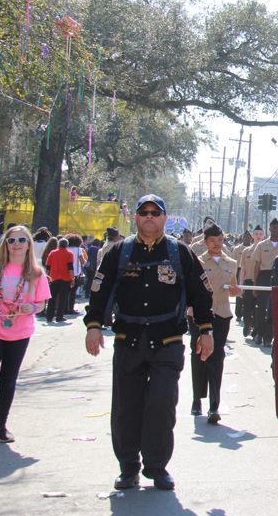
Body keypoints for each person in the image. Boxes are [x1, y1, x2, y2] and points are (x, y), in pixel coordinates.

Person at [84, 194, 215, 492]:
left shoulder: (180, 253)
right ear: (136, 217)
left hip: (167, 341)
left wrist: (206, 331)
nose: (149, 217)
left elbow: (201, 293)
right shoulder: (118, 252)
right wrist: (93, 327)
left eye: (156, 212)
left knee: (161, 405)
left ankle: (157, 467)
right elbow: (100, 291)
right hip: (128, 339)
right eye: (144, 212)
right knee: (125, 407)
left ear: (165, 218)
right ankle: (128, 467)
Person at [0, 226, 50, 442]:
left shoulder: (36, 273)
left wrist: (34, 308)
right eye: (11, 241)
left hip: (20, 332)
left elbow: (41, 304)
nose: (17, 244)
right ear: (5, 244)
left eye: (22, 240)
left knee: (9, 380)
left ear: (29, 244)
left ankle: (0, 428)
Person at [190, 223, 241, 423]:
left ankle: (214, 405)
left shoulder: (230, 262)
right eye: (212, 241)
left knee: (216, 357)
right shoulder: (198, 262)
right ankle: (196, 399)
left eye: (219, 240)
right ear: (205, 242)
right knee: (198, 356)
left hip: (221, 314)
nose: (217, 244)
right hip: (199, 314)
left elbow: (234, 286)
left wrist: (237, 291)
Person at [251, 218, 278, 346]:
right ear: (269, 229)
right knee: (261, 307)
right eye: (273, 227)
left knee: (274, 308)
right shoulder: (261, 245)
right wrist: (255, 286)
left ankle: (268, 337)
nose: (276, 230)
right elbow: (257, 266)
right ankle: (259, 332)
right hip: (264, 277)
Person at [239, 225, 264, 337]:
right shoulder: (246, 251)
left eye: (260, 234)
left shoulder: (265, 250)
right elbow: (242, 269)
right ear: (253, 236)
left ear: (263, 236)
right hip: (249, 282)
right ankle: (247, 323)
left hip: (260, 283)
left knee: (258, 309)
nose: (258, 236)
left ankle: (255, 330)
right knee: (247, 308)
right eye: (256, 234)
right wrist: (240, 286)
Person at [45, 239, 74, 323]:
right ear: (66, 245)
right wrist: (72, 278)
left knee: (52, 297)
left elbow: (47, 266)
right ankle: (59, 316)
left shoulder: (52, 253)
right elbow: (70, 267)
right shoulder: (69, 253)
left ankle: (49, 316)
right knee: (62, 298)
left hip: (54, 277)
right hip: (65, 278)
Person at [231, 231, 252, 321]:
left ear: (250, 238)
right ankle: (238, 313)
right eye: (244, 237)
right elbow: (232, 261)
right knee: (239, 291)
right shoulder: (237, 249)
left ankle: (247, 313)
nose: (245, 239)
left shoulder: (254, 248)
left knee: (248, 293)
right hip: (239, 270)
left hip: (250, 270)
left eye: (247, 237)